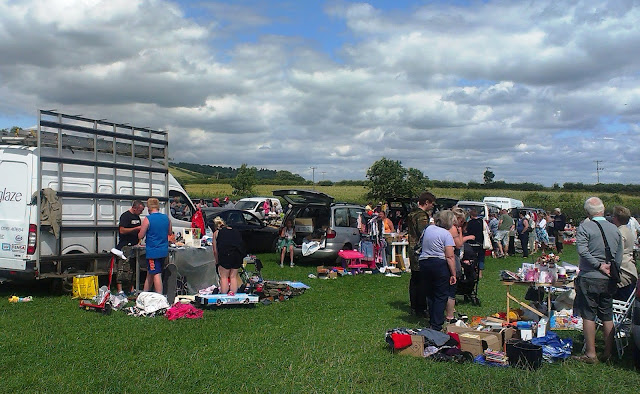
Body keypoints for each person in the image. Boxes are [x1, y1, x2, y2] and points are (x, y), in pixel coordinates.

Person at [573, 197, 623, 364]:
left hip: (590, 276)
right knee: (607, 314)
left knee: (588, 314)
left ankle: (591, 353)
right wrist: (611, 267)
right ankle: (608, 353)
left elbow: (582, 250)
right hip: (609, 278)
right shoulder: (615, 229)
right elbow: (619, 254)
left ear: (588, 212)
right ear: (603, 209)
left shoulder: (585, 227)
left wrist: (598, 265)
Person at [418, 210, 457, 331]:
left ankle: (431, 319)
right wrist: (453, 274)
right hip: (439, 263)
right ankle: (436, 323)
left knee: (430, 293)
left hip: (424, 262)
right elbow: (450, 256)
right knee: (440, 294)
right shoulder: (446, 235)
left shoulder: (428, 229)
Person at [407, 191, 436, 317]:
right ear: (427, 202)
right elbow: (424, 232)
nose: (432, 207)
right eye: (432, 204)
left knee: (414, 279)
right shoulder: (421, 216)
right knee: (421, 280)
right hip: (420, 250)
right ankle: (421, 307)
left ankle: (414, 305)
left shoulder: (411, 213)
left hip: (412, 248)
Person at [447, 207, 475, 321]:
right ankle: (450, 312)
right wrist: (464, 235)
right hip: (453, 256)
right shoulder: (454, 229)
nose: (462, 224)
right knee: (452, 284)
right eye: (462, 221)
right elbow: (458, 244)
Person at [138, 198, 171, 294]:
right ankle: (145, 294)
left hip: (153, 251)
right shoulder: (166, 218)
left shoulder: (148, 219)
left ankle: (159, 297)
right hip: (163, 250)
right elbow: (169, 232)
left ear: (148, 208)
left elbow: (141, 235)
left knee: (156, 274)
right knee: (150, 273)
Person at [115, 200, 144, 296]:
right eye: (140, 210)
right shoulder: (125, 216)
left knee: (133, 268)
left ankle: (131, 289)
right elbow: (122, 230)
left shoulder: (137, 217)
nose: (141, 212)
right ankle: (120, 290)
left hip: (134, 245)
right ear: (134, 208)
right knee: (122, 267)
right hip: (124, 245)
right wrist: (135, 229)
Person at [212, 216, 245, 295]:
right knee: (233, 276)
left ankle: (224, 296)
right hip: (237, 254)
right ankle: (233, 295)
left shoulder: (217, 233)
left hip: (225, 255)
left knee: (224, 277)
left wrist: (217, 261)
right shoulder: (235, 231)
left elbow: (215, 250)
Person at [611, 206, 637, 301]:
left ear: (616, 218)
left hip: (623, 270)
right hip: (630, 267)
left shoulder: (620, 233)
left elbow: (617, 253)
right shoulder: (628, 230)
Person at [465, 209, 485, 278]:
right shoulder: (482, 221)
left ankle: (473, 271)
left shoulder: (470, 223)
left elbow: (466, 231)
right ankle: (480, 273)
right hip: (481, 242)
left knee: (472, 257)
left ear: (471, 215)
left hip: (471, 242)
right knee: (481, 258)